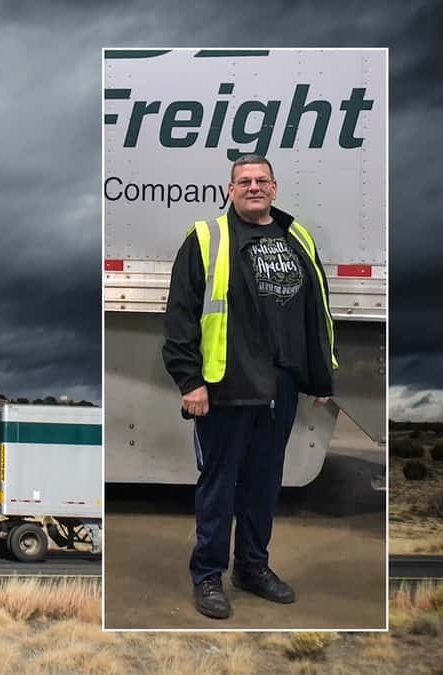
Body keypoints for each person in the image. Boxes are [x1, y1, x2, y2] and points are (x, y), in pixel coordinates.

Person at [162, 154, 336, 620]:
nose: (254, 187)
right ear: (230, 189)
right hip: (227, 382)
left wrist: (319, 375)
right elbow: (180, 316)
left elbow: (315, 308)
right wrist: (190, 380)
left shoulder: (296, 235)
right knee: (219, 484)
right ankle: (208, 575)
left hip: (281, 381)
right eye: (244, 181)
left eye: (262, 180)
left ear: (275, 188)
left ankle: (253, 568)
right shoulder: (206, 238)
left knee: (264, 482)